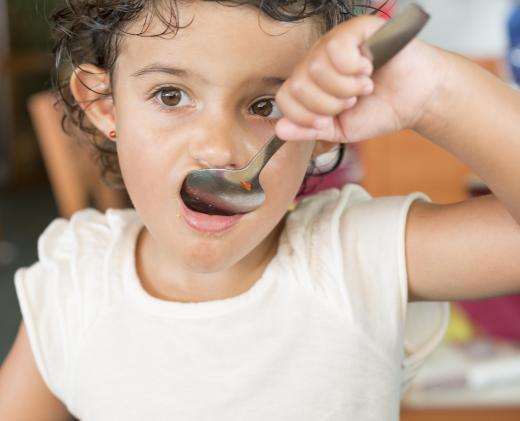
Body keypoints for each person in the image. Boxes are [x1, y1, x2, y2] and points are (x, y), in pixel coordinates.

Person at [1, 1, 519, 419]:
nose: (217, 148)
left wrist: (435, 96)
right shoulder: (71, 289)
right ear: (105, 108)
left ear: (319, 129)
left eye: (264, 106)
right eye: (171, 94)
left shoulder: (356, 257)